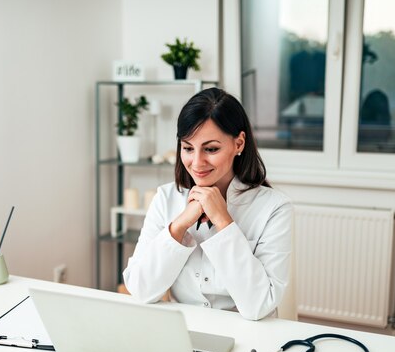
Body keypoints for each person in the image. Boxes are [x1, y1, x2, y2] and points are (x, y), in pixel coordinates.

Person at [123, 88, 292, 321]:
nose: (197, 162)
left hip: (248, 335)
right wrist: (179, 226)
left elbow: (259, 306)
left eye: (211, 149)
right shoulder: (165, 198)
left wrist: (224, 222)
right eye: (188, 148)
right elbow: (141, 289)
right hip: (183, 332)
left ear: (239, 144)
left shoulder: (274, 208)